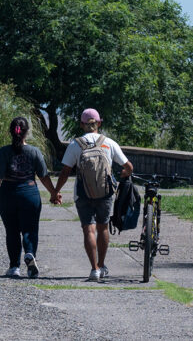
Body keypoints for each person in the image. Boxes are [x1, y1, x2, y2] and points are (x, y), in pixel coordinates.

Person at [52, 108, 133, 282]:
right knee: (103, 227)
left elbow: (65, 171)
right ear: (99, 123)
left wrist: (56, 191)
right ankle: (102, 265)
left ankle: (93, 269)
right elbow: (129, 166)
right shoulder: (109, 143)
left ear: (82, 124)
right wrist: (122, 176)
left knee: (88, 229)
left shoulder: (75, 144)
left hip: (83, 193)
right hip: (105, 193)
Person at [0, 116, 60, 278]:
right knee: (30, 230)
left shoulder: (4, 151)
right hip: (29, 195)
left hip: (8, 195)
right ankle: (29, 254)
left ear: (11, 132)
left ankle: (14, 267)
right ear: (27, 132)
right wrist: (54, 193)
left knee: (12, 231)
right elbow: (43, 176)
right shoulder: (34, 151)